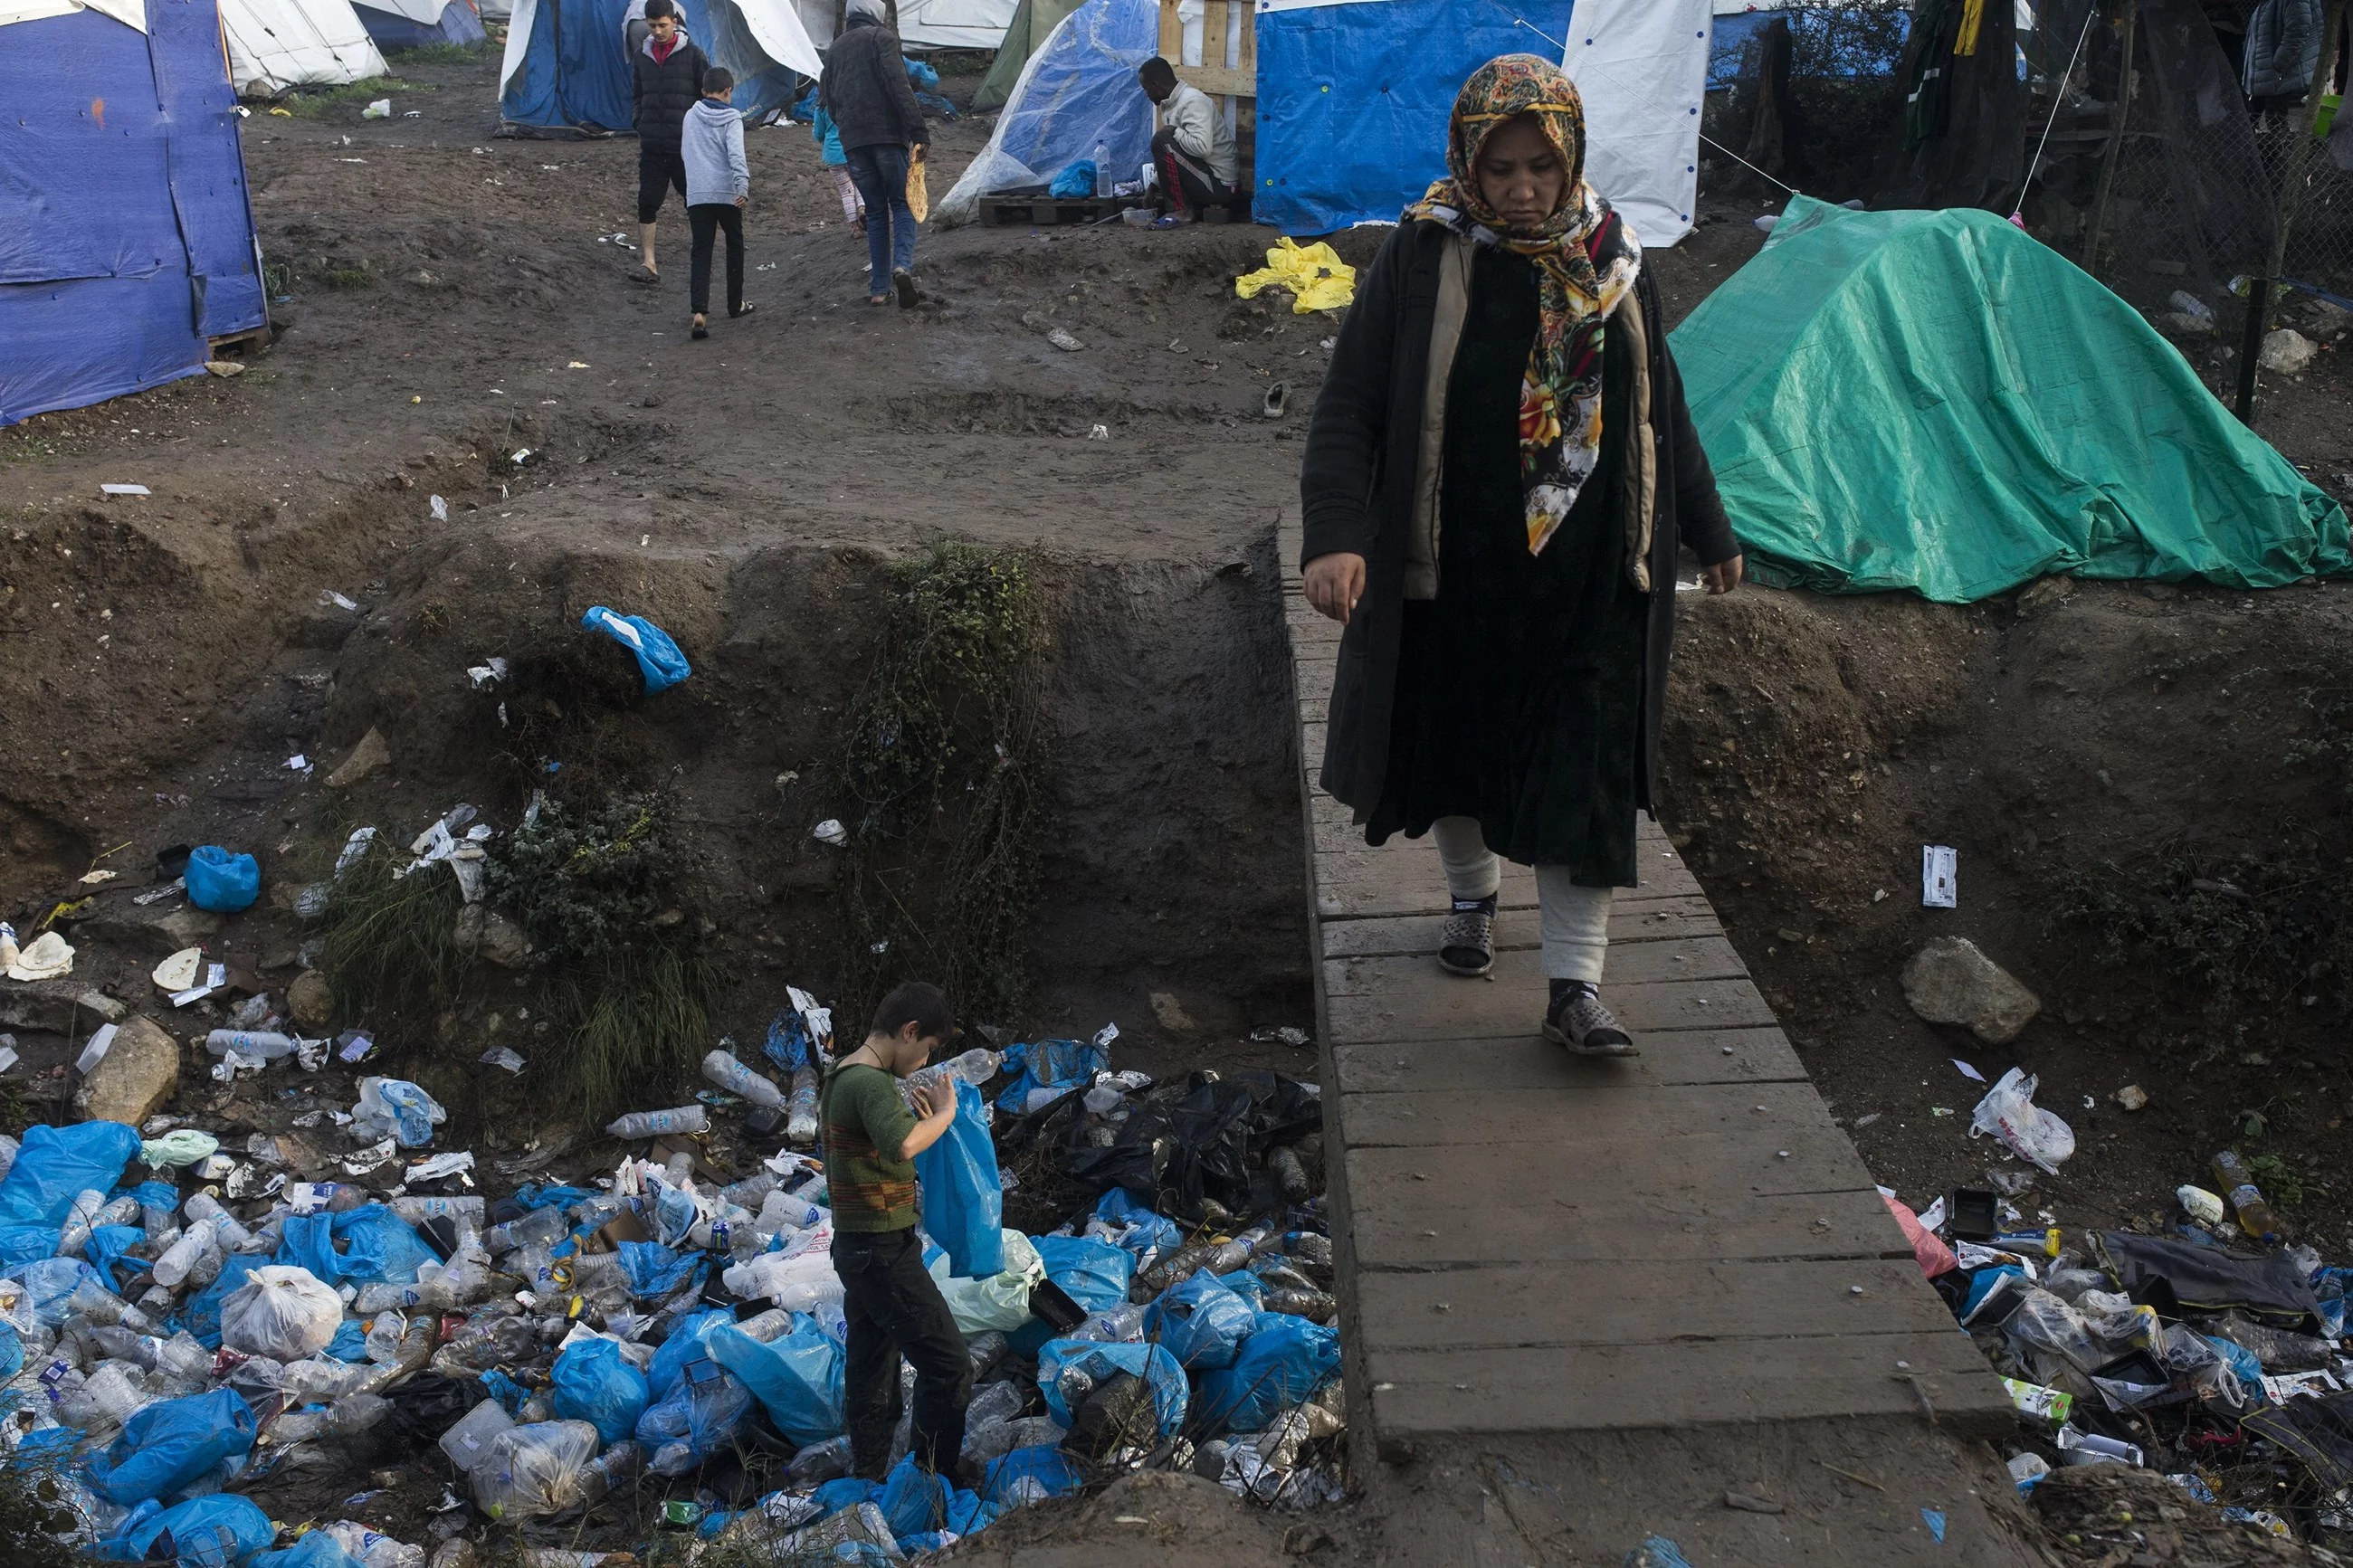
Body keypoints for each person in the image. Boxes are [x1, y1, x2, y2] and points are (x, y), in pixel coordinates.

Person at [1298, 55, 1744, 1057]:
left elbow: (1658, 406)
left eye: (1539, 164)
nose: (1520, 187)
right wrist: (1332, 535)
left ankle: (1573, 989)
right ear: (1466, 159)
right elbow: (1350, 408)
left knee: (1581, 763)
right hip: (1455, 561)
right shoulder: (1421, 257)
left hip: (1590, 571)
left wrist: (1707, 529)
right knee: (1458, 740)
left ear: (1570, 155)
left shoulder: (1617, 260)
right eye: (1498, 167)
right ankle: (1470, 895)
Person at [821, 980, 973, 1480]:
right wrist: (946, 1114)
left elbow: (883, 1141)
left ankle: (869, 1472)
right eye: (927, 1049)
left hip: (860, 1247)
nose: (925, 1063)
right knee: (949, 1367)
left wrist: (921, 1120)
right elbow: (903, 1145)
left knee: (872, 1363)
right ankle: (930, 1484)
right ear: (909, 1031)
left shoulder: (843, 1073)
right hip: (882, 1250)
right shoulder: (869, 1082)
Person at [820, 0, 928, 307]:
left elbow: (830, 100)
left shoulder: (834, 50)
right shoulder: (882, 39)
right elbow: (899, 86)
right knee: (903, 203)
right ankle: (902, 266)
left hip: (852, 143)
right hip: (886, 137)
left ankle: (879, 289)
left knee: (877, 211)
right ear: (876, 12)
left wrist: (848, 130)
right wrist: (919, 131)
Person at [632, 0, 710, 285]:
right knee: (647, 203)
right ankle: (649, 263)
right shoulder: (642, 57)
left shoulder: (694, 56)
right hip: (652, 145)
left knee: (696, 202)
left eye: (662, 25)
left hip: (685, 147)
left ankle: (703, 255)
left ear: (674, 21)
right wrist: (638, 122)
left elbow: (708, 99)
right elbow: (637, 95)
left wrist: (701, 136)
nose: (657, 31)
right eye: (652, 26)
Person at [681, 67, 754, 339]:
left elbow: (684, 152)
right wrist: (742, 186)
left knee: (701, 250)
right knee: (734, 245)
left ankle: (699, 311)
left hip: (698, 194)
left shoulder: (690, 116)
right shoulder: (733, 117)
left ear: (703, 91)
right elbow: (736, 154)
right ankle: (735, 304)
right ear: (728, 91)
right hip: (727, 194)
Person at [1138, 56, 1238, 221]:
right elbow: (1178, 156)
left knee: (1161, 139)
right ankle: (1181, 208)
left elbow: (1202, 148)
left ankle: (1181, 210)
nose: (1146, 94)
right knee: (1164, 140)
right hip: (1207, 178)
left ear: (1156, 85)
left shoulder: (1192, 101)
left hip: (1221, 187)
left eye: (1146, 89)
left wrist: (1175, 131)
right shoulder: (1172, 104)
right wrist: (1153, 187)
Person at [2243, 0, 2326, 118]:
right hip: (2267, 71)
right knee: (2254, 114)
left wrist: (2279, 64)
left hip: (2279, 70)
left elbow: (2298, 30)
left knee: (2275, 119)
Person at [812, 99, 866, 234]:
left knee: (846, 190)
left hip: (832, 155)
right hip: (852, 148)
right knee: (861, 183)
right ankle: (862, 208)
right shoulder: (848, 100)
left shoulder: (821, 107)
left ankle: (855, 228)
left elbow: (818, 133)